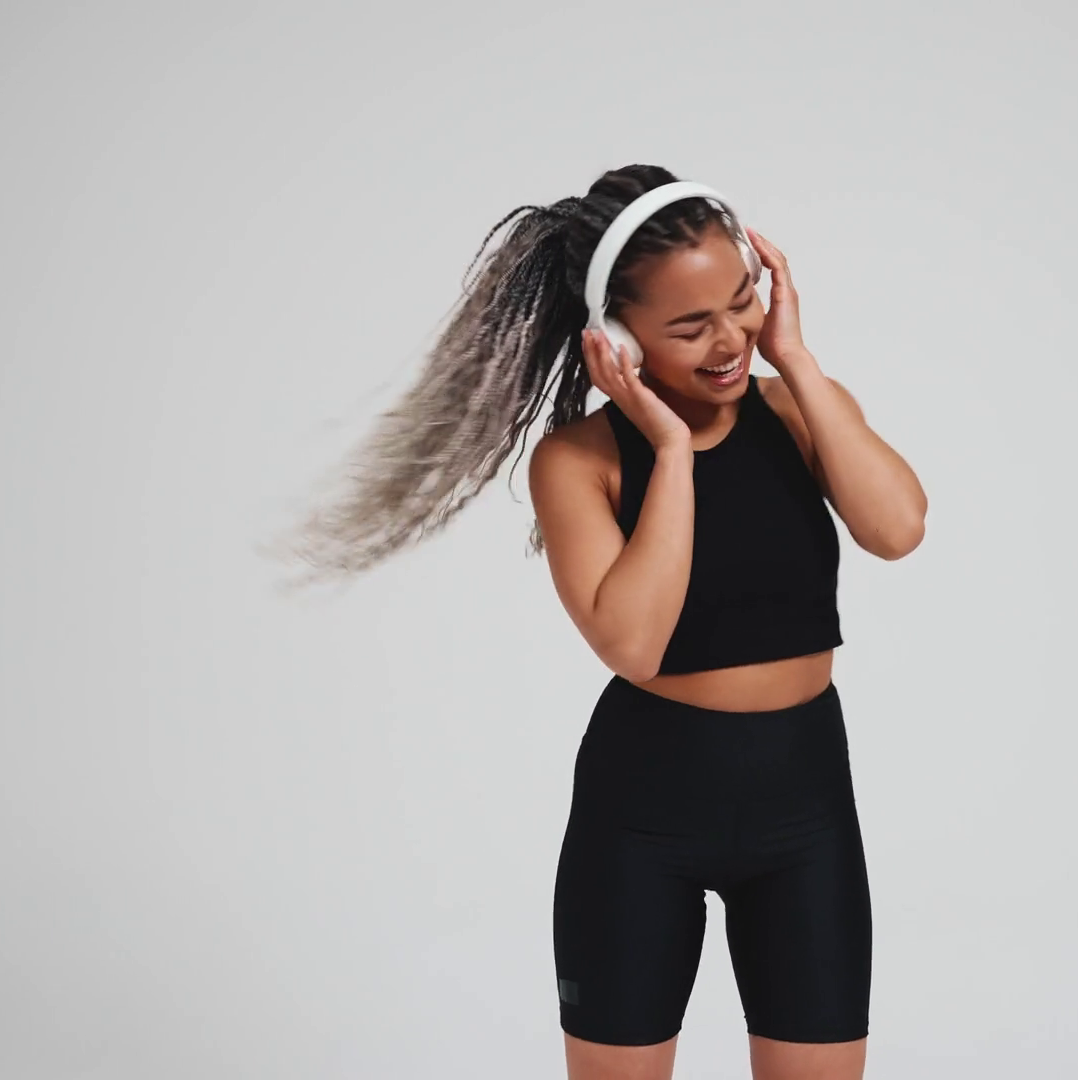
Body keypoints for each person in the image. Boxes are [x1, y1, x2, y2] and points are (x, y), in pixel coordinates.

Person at [287, 164, 927, 1080]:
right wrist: (671, 449)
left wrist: (796, 359)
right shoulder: (580, 461)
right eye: (690, 325)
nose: (729, 339)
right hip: (644, 818)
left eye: (741, 302)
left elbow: (896, 530)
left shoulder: (799, 410)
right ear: (616, 336)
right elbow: (633, 644)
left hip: (808, 808)